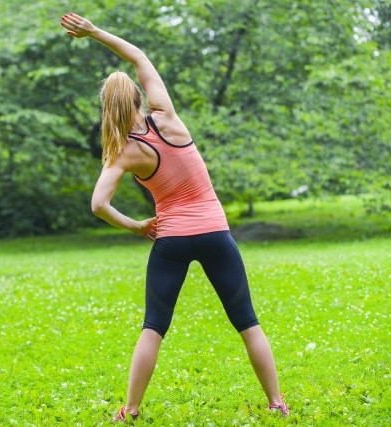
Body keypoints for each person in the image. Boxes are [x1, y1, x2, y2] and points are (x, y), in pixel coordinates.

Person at [60, 13, 289, 422]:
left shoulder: (123, 152)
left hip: (170, 238)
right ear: (137, 99)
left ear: (107, 109)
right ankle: (277, 403)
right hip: (216, 232)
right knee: (247, 322)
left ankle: (129, 410)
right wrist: (95, 33)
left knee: (154, 327)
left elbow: (98, 205)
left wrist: (136, 225)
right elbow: (138, 57)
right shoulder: (166, 115)